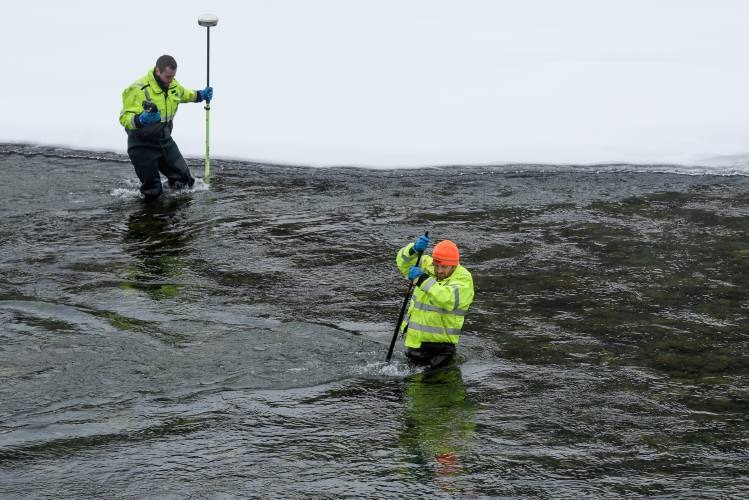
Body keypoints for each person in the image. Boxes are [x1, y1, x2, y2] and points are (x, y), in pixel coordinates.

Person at [119, 55, 213, 201]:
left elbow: (185, 94)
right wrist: (141, 119)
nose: (171, 80)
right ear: (158, 71)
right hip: (142, 145)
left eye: (173, 76)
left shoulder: (173, 86)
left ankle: (174, 213)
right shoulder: (138, 89)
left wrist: (200, 95)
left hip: (164, 141)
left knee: (184, 181)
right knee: (153, 191)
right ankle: (150, 220)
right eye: (168, 76)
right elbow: (124, 119)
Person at [395, 235, 474, 368]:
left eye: (444, 267)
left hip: (440, 350)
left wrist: (422, 279)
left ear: (454, 265)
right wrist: (413, 249)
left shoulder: (464, 279)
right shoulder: (427, 264)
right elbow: (402, 262)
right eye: (436, 265)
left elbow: (446, 298)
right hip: (414, 344)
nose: (439, 271)